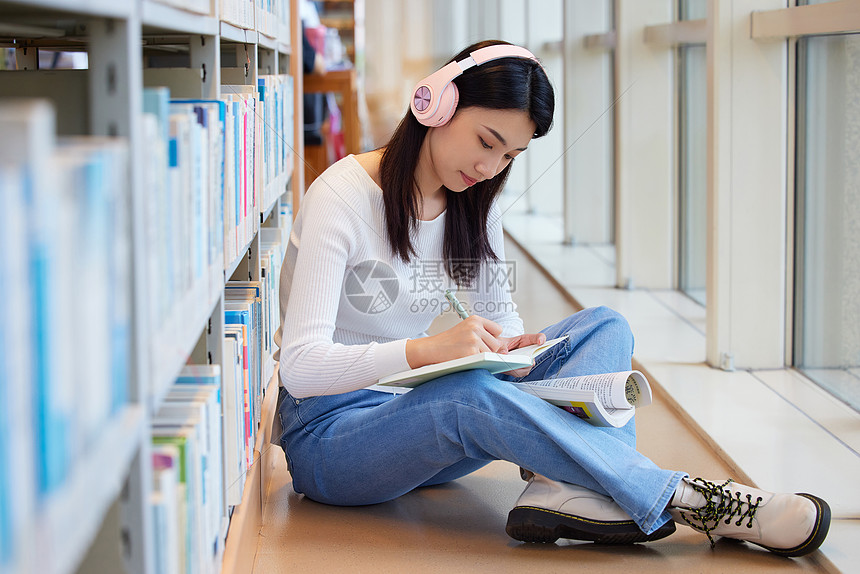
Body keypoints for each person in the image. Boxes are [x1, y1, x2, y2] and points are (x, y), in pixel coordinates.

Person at [272, 40, 831, 557]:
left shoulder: (469, 199)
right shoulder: (341, 197)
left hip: (413, 419)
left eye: (510, 155)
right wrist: (425, 352)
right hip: (332, 440)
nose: (490, 168)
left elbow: (501, 314)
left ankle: (561, 490)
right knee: (466, 391)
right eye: (487, 141)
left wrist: (518, 347)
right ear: (437, 104)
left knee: (604, 328)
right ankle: (700, 501)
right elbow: (300, 370)